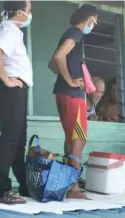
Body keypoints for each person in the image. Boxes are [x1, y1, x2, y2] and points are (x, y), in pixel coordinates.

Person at [48, 4, 98, 199]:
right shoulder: (76, 32)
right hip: (71, 94)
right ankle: (73, 187)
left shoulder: (73, 34)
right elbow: (58, 56)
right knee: (78, 138)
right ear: (89, 18)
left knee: (73, 138)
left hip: (65, 92)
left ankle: (69, 184)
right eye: (95, 20)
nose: (95, 24)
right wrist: (70, 80)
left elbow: (53, 63)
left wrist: (64, 77)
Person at [0, 0, 32, 204]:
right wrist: (6, 79)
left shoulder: (14, 32)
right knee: (11, 140)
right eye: (29, 9)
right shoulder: (9, 31)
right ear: (20, 12)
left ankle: (24, 185)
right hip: (12, 91)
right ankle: (3, 189)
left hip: (19, 91)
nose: (30, 13)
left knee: (19, 141)